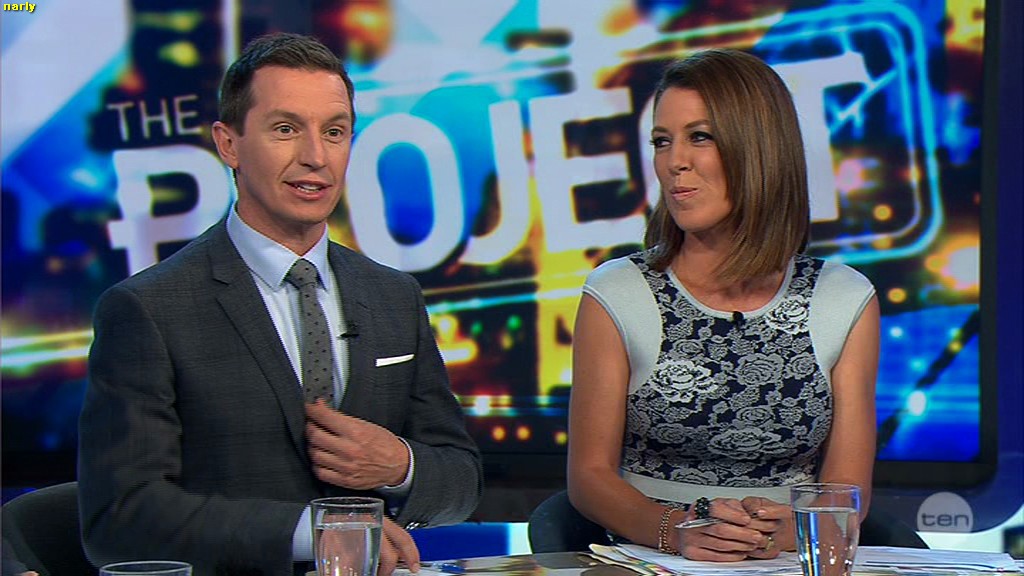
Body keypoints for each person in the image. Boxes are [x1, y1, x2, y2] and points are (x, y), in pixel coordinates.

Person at [78, 33, 482, 576]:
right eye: (286, 129)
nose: (315, 157)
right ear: (229, 145)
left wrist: (400, 465)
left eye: (334, 132)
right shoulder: (147, 309)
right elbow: (120, 519)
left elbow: (462, 480)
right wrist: (312, 532)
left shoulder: (394, 297)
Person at [566, 49, 878, 561]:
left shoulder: (843, 299)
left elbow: (846, 491)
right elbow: (589, 477)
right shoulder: (618, 292)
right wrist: (677, 531)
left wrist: (783, 535)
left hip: (786, 559)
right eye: (661, 141)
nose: (674, 161)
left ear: (758, 148)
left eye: (699, 137)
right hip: (656, 557)